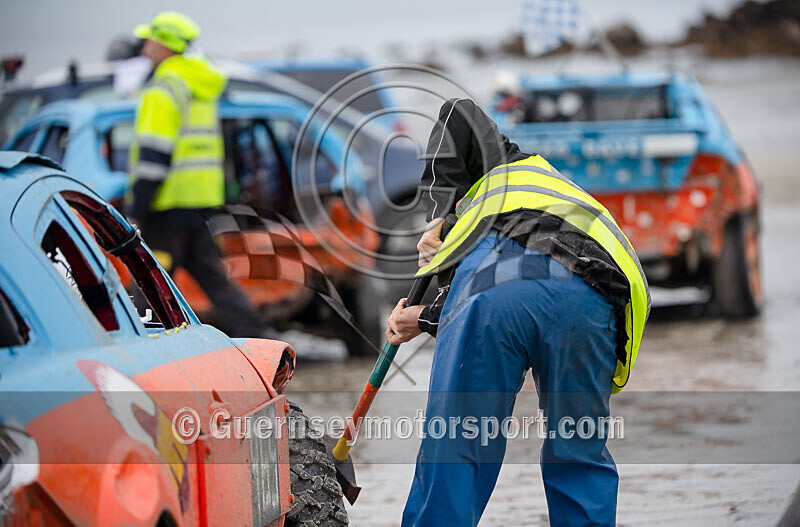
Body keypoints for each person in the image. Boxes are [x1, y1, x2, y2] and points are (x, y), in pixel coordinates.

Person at [385, 99, 650, 526]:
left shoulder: (495, 178)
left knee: (457, 449)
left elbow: (458, 110)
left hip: (496, 289)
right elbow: (543, 282)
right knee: (579, 450)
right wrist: (425, 317)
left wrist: (436, 218)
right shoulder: (551, 186)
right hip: (594, 297)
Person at [125, 11, 264, 337]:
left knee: (147, 282)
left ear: (163, 44)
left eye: (148, 40)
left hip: (167, 204)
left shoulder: (164, 87)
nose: (144, 47)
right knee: (214, 280)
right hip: (200, 202)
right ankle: (261, 339)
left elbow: (153, 156)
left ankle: (142, 348)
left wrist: (137, 210)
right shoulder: (200, 83)